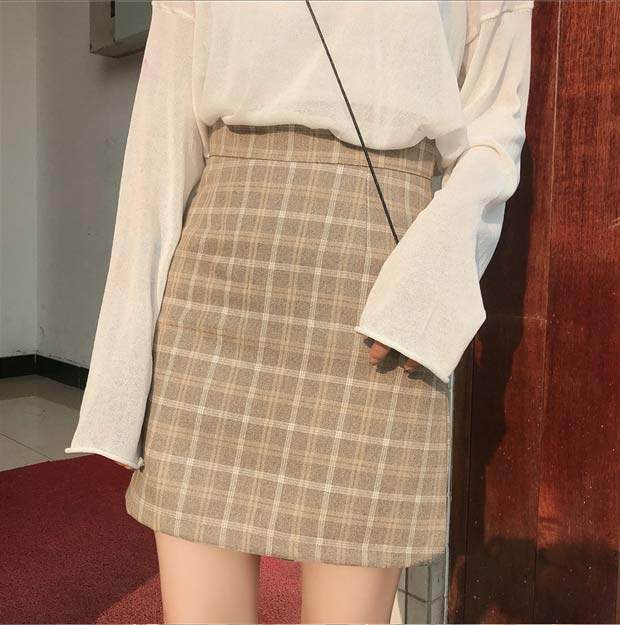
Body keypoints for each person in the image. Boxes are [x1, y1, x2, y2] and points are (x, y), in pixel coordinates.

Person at [65, 1, 534, 622]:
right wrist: (123, 376)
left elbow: (495, 129)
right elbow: (162, 139)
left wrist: (430, 281)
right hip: (217, 281)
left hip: (381, 284)